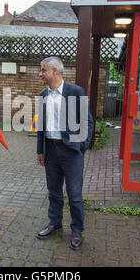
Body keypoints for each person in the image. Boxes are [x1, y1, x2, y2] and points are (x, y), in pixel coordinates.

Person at [36, 57, 93, 250]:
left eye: (43, 70)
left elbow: (88, 122)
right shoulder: (43, 95)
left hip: (71, 151)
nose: (40, 74)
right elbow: (41, 127)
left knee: (74, 194)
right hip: (50, 150)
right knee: (53, 192)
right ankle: (55, 222)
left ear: (54, 71)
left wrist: (82, 147)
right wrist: (40, 150)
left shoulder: (75, 92)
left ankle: (77, 230)